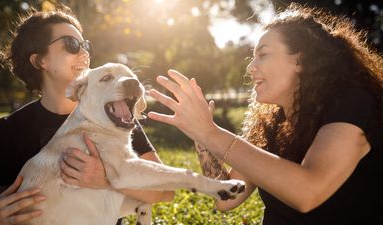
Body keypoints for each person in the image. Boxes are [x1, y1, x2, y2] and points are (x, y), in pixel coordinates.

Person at [147, 3, 383, 225]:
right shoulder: (272, 124)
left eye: (263, 54)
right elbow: (227, 198)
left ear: (300, 61)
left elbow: (308, 192)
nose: (250, 67)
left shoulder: (350, 103)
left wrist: (211, 133)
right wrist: (200, 136)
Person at [0, 7, 174, 225]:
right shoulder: (8, 131)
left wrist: (106, 180)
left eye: (85, 46)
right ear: (39, 61)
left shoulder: (117, 117)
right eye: (71, 44)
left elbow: (165, 191)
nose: (84, 54)